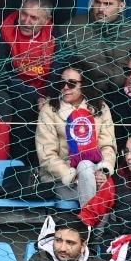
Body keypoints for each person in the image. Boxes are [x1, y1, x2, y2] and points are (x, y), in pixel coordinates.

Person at [36, 65, 114, 204]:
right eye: (62, 83)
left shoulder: (100, 108)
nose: (65, 87)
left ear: (84, 84)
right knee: (87, 170)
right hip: (61, 179)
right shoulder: (49, 110)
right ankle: (92, 217)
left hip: (95, 173)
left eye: (71, 84)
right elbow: (46, 155)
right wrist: (71, 175)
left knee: (89, 170)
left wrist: (103, 171)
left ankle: (90, 217)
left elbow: (107, 145)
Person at [63, 0, 131, 94]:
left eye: (107, 4)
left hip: (124, 95)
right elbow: (66, 69)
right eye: (97, 2)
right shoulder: (72, 29)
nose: (100, 9)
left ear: (121, 6)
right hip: (84, 94)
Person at [0, 0, 58, 119]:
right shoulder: (5, 32)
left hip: (47, 93)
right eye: (24, 14)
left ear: (46, 20)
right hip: (15, 90)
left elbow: (58, 71)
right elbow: (3, 75)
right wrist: (35, 96)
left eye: (33, 18)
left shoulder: (55, 36)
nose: (26, 21)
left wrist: (49, 97)